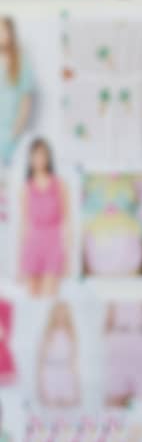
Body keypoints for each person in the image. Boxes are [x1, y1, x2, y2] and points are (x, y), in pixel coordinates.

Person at [21, 137, 67, 297]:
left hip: (53, 244)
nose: (39, 159)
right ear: (30, 158)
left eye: (42, 154)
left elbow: (67, 222)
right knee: (32, 298)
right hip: (33, 244)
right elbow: (24, 224)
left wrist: (67, 253)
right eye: (35, 155)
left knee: (49, 297)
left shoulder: (59, 184)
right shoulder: (27, 187)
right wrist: (21, 258)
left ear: (48, 157)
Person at [0, 15, 37, 167]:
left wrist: (15, 132)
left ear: (10, 33)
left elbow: (26, 101)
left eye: (3, 29)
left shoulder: (21, 61)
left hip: (10, 132)